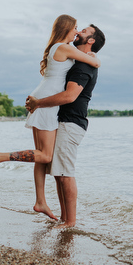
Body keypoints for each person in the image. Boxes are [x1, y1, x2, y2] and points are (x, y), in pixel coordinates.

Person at [0, 15, 101, 220]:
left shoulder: (59, 47)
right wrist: (96, 58)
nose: (77, 32)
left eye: (81, 30)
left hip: (44, 99)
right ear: (66, 28)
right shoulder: (64, 47)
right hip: (46, 103)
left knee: (41, 156)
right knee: (45, 156)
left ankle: (40, 201)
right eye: (75, 28)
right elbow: (94, 62)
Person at [26, 23, 105, 228]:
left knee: (66, 173)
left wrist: (38, 103)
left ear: (91, 41)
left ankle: (70, 222)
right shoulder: (77, 60)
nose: (79, 32)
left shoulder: (84, 65)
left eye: (84, 31)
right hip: (63, 120)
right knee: (59, 173)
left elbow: (70, 96)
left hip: (72, 123)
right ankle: (64, 218)